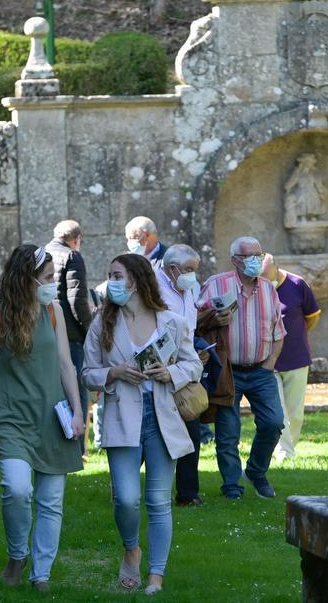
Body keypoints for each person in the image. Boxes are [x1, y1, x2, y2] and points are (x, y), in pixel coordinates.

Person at [83, 254, 202, 595]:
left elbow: (193, 365)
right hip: (122, 416)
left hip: (162, 416)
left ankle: (156, 576)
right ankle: (131, 548)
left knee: (159, 500)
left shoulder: (172, 321)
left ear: (136, 279)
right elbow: (87, 373)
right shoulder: (102, 322)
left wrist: (171, 372)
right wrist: (114, 372)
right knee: (126, 499)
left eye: (117, 275)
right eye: (109, 276)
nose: (111, 282)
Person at [0, 245, 85, 593]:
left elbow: (67, 364)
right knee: (17, 489)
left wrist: (79, 410)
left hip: (53, 415)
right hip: (10, 416)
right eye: (48, 278)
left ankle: (42, 575)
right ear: (27, 278)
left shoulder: (53, 309)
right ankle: (18, 555)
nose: (54, 284)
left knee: (51, 501)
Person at [197, 236, 286, 500]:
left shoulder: (269, 289)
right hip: (227, 370)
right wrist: (214, 317)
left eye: (259, 255)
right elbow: (194, 325)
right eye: (250, 256)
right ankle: (232, 487)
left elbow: (279, 332)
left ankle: (256, 472)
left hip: (261, 370)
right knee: (227, 434)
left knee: (273, 423)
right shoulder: (216, 285)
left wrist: (270, 364)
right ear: (235, 260)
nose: (256, 261)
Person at [154, 244, 206, 507]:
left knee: (191, 427)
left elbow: (190, 326)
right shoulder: (152, 288)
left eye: (195, 271)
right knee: (150, 431)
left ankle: (188, 493)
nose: (193, 276)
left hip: (185, 365)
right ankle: (122, 487)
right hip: (157, 367)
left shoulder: (189, 287)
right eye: (189, 270)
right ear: (172, 268)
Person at [262, 253, 321, 461]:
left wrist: (296, 335)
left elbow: (312, 316)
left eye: (266, 274)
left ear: (277, 268)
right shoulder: (257, 287)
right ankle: (284, 454)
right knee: (278, 412)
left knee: (295, 413)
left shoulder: (297, 284)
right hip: (267, 360)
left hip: (296, 358)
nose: (264, 279)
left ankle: (287, 449)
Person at [44, 219, 93, 454]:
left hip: (47, 329)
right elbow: (77, 300)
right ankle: (77, 446)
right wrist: (90, 330)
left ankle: (55, 440)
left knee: (54, 387)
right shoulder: (72, 256)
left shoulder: (43, 253)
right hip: (72, 333)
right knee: (76, 388)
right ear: (76, 238)